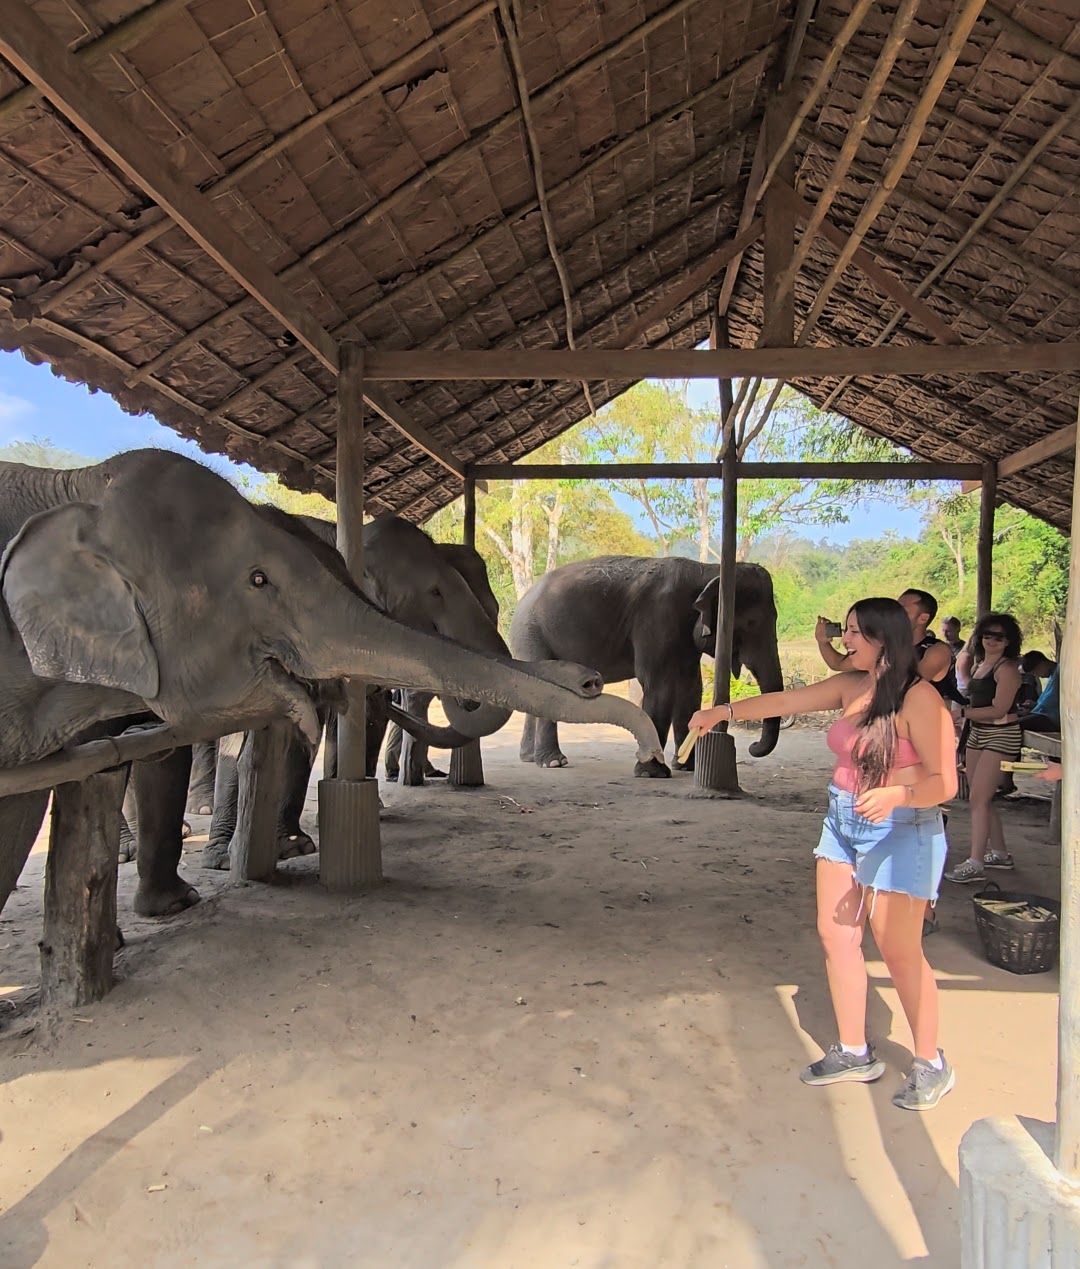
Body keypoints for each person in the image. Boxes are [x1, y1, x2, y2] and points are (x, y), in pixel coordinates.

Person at [692, 597, 958, 1111]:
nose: (845, 641)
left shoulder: (920, 698)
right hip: (842, 821)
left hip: (901, 828)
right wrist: (720, 712)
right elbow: (784, 703)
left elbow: (945, 781)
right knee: (836, 937)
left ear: (884, 638)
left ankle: (931, 1061)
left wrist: (899, 793)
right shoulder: (851, 686)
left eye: (855, 632)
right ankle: (855, 1051)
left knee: (899, 951)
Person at [944, 613, 1024, 884]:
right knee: (982, 797)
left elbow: (1000, 709)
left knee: (978, 797)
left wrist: (963, 713)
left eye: (998, 636)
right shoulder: (980, 664)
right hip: (978, 733)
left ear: (1009, 641)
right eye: (987, 634)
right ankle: (999, 853)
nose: (991, 640)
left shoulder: (1007, 669)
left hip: (1001, 734)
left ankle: (976, 862)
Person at [817, 588, 962, 703]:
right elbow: (839, 664)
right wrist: (823, 642)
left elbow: (907, 685)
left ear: (923, 618)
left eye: (902, 610)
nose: (895, 614)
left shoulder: (937, 650)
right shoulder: (886, 646)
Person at [1018, 652, 1059, 733]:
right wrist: (1035, 705)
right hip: (1044, 714)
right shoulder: (1052, 674)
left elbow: (1052, 701)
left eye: (1036, 672)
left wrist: (1035, 709)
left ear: (1042, 664)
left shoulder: (1059, 671)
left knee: (1014, 725)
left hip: (1051, 719)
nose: (1038, 676)